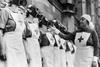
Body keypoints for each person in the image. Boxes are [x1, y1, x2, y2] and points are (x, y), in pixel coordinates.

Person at [0, 0, 28, 67]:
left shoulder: (20, 14)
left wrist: (26, 52)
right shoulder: (5, 11)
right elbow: (0, 31)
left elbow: (23, 36)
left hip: (19, 45)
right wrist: (2, 49)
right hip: (9, 45)